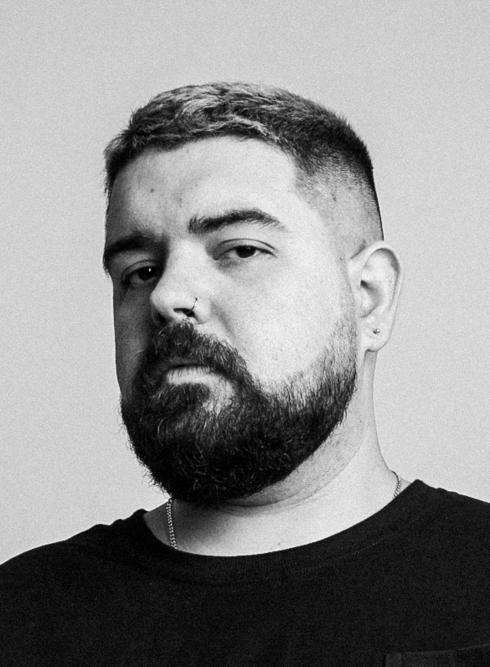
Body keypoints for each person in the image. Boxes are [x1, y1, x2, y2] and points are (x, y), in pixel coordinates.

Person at [1, 82, 488, 666]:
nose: (168, 295)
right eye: (140, 270)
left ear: (368, 297)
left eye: (240, 250)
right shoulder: (21, 619)